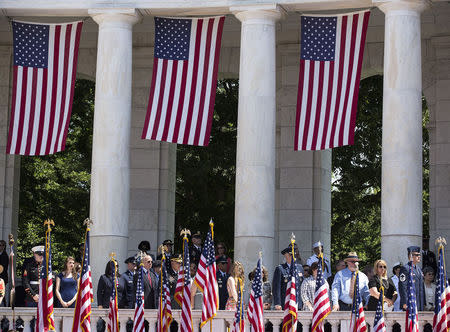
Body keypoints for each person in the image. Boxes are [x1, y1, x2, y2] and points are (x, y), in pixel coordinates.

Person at [272, 243, 304, 310]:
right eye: (290, 255)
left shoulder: (300, 268)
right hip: (285, 302)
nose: (293, 257)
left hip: (298, 303)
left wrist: (303, 302)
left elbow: (302, 286)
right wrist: (277, 303)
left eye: (294, 255)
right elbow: (276, 288)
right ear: (286, 256)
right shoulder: (280, 269)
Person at [398, 246, 425, 311]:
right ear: (411, 256)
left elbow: (422, 287)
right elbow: (402, 286)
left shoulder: (419, 269)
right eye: (417, 255)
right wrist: (404, 302)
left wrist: (424, 302)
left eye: (419, 255)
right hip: (410, 302)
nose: (419, 256)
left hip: (419, 303)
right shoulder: (405, 268)